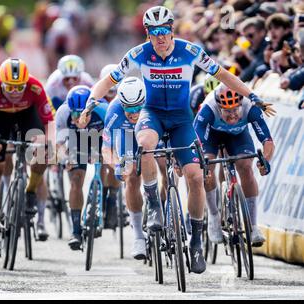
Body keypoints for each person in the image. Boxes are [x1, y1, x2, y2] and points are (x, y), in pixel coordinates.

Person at [79, 5, 275, 274]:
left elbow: (224, 76)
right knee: (145, 144)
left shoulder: (190, 51)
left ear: (172, 31)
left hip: (182, 119)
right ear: (147, 33)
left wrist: (251, 96)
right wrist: (91, 102)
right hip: (153, 114)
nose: (160, 37)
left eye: (164, 31)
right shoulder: (138, 53)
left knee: (195, 176)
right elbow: (107, 81)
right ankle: (154, 208)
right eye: (153, 32)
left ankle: (195, 241)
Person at [0, 58, 54, 255]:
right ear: (1, 83)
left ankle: (30, 190)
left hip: (27, 116)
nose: (14, 92)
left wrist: (48, 144)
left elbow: (49, 122)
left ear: (26, 83)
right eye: (10, 88)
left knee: (43, 154)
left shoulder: (36, 88)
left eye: (19, 87)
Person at [194, 84, 275, 246]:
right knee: (207, 166)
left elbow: (267, 140)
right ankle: (214, 216)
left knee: (245, 166)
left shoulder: (250, 107)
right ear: (219, 107)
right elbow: (196, 141)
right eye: (227, 111)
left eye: (235, 110)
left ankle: (252, 226)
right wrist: (201, 164)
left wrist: (265, 160)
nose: (232, 116)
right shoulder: (208, 109)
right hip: (212, 136)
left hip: (238, 136)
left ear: (241, 105)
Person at [55, 85, 107, 250]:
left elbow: (114, 139)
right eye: (75, 114)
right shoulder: (63, 113)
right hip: (76, 141)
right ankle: (76, 230)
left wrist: (104, 155)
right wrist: (64, 159)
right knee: (76, 180)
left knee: (109, 165)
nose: (79, 119)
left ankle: (110, 203)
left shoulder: (104, 110)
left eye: (83, 114)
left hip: (101, 137)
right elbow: (59, 145)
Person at [102, 77, 147, 259]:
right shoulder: (114, 110)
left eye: (138, 108)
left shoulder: (153, 103)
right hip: (127, 137)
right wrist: (117, 165)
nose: (134, 113)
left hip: (150, 131)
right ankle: (138, 236)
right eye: (129, 109)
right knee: (131, 175)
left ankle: (164, 209)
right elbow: (106, 148)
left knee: (163, 165)